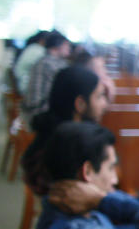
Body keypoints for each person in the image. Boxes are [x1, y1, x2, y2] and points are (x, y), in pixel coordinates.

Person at [21, 66, 110, 195]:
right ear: (80, 104)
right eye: (99, 97)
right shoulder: (69, 145)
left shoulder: (50, 130)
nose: (105, 104)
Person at [22, 30, 72, 124]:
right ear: (58, 46)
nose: (69, 48)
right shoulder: (50, 64)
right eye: (66, 45)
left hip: (35, 111)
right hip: (40, 114)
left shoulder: (45, 60)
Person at [13, 31, 50, 95]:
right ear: (43, 40)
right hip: (26, 85)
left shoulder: (32, 47)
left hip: (20, 81)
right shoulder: (39, 51)